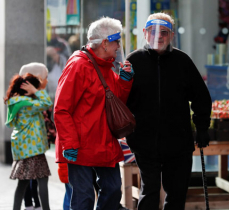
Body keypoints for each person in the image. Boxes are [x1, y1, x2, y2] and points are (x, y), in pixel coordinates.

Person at [125, 12, 212, 209]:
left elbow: (201, 96)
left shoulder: (182, 61)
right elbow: (121, 98)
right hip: (144, 141)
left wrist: (202, 126)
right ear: (145, 33)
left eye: (164, 32)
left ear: (172, 35)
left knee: (177, 193)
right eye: (153, 31)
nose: (159, 36)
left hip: (178, 142)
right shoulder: (134, 61)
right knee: (150, 191)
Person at [54, 16, 134, 209]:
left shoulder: (107, 67)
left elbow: (116, 105)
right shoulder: (78, 65)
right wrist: (70, 143)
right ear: (105, 43)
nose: (118, 46)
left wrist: (124, 81)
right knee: (83, 199)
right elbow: (61, 109)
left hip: (104, 144)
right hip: (80, 146)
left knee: (114, 190)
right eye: (116, 41)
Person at [4, 72, 52, 210]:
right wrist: (36, 91)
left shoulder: (16, 101)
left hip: (24, 149)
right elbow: (47, 103)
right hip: (33, 148)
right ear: (28, 88)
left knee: (22, 184)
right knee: (42, 180)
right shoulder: (27, 104)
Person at [19, 62, 51, 210]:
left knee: (32, 178)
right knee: (29, 177)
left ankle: (34, 204)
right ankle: (30, 205)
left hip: (36, 145)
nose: (48, 80)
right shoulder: (28, 100)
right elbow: (46, 104)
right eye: (45, 77)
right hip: (30, 146)